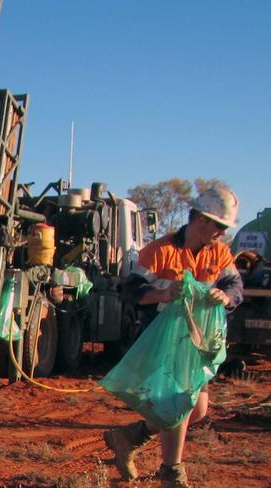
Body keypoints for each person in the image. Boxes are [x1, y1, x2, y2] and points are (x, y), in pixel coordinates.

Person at [103, 187, 243, 488]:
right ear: (201, 219)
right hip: (163, 341)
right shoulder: (159, 250)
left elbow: (235, 287)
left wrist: (225, 295)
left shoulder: (219, 254)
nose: (220, 233)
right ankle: (172, 473)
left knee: (197, 409)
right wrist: (162, 294)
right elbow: (130, 291)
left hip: (197, 343)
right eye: (219, 226)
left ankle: (128, 437)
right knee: (178, 404)